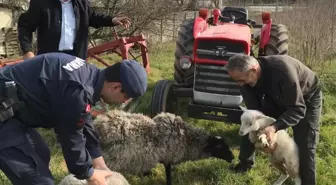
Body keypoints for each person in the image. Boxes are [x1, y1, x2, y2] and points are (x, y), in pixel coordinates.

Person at [0, 52, 147, 185]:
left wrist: (97, 159)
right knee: (40, 181)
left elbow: (83, 118)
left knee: (41, 153)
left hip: (13, 110)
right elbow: (70, 136)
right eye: (126, 96)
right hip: (4, 115)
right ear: (115, 87)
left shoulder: (89, 75)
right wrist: (89, 174)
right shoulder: (78, 91)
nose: (124, 102)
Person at [226, 54, 322, 185]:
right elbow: (255, 114)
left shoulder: (283, 72)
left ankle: (307, 182)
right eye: (235, 80)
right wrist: (263, 141)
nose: (239, 84)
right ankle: (245, 163)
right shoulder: (245, 82)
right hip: (274, 97)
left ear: (253, 70)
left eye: (241, 80)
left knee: (305, 142)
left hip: (305, 98)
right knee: (250, 125)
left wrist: (273, 127)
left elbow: (297, 109)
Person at [17, 0, 131, 60]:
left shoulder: (81, 2)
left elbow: (91, 16)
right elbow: (25, 25)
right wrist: (27, 51)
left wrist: (112, 20)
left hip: (75, 56)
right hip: (50, 57)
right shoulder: (41, 2)